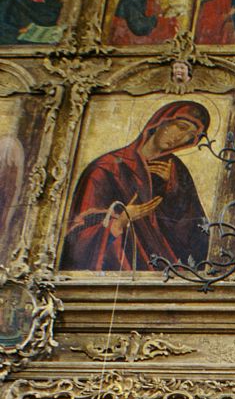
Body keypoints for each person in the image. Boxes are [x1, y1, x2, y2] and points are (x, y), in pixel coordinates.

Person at [60, 100, 212, 273]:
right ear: (161, 121)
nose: (180, 137)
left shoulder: (175, 171)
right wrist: (121, 220)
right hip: (120, 266)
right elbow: (77, 236)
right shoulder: (107, 167)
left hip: (164, 269)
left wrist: (173, 190)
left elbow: (195, 230)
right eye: (181, 126)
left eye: (190, 136)